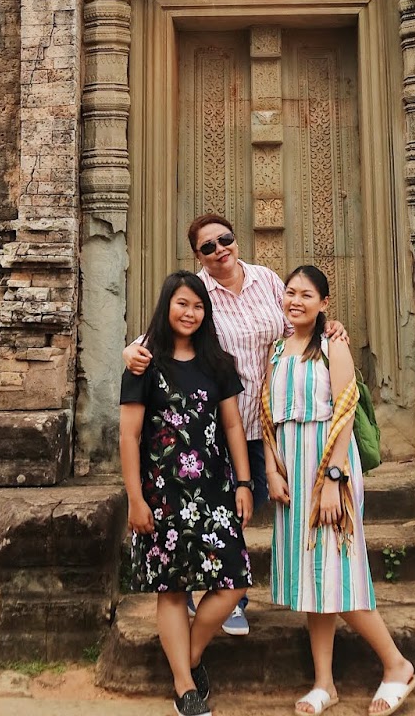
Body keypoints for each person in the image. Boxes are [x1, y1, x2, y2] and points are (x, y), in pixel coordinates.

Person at [123, 215, 349, 636]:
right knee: (223, 510)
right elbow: (164, 332)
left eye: (224, 239)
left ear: (235, 239)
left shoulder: (266, 280)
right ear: (198, 256)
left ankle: (289, 589)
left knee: (250, 503)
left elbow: (294, 324)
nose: (219, 249)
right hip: (213, 425)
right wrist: (130, 352)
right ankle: (228, 599)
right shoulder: (197, 292)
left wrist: (329, 326)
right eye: (208, 247)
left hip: (262, 422)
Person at [262, 264, 415, 716]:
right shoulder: (276, 350)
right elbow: (268, 418)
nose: (296, 301)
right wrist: (272, 469)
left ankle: (397, 665)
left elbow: (344, 414)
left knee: (338, 574)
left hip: (330, 469)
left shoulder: (333, 347)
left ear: (324, 303)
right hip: (292, 471)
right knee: (313, 579)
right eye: (290, 293)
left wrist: (333, 482)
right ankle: (324, 683)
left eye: (306, 295)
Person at [120, 270, 254, 716]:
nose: (190, 312)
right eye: (182, 304)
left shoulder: (218, 363)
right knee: (172, 588)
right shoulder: (143, 362)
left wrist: (243, 482)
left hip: (214, 489)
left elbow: (234, 425)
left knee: (233, 581)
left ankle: (189, 656)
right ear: (166, 306)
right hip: (161, 494)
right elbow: (129, 435)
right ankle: (183, 685)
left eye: (197, 306)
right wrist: (135, 499)